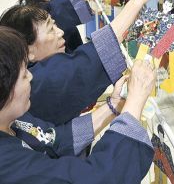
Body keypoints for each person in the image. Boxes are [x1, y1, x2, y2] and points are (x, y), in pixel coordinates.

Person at [0, 0, 169, 125]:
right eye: (51, 29)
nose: (60, 32)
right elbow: (92, 56)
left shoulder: (27, 69)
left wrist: (112, 106)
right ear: (27, 50)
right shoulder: (39, 81)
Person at [0, 26, 155, 184]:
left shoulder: (14, 122)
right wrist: (136, 100)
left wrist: (113, 105)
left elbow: (58, 139)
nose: (31, 76)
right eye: (23, 74)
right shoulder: (8, 165)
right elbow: (99, 178)